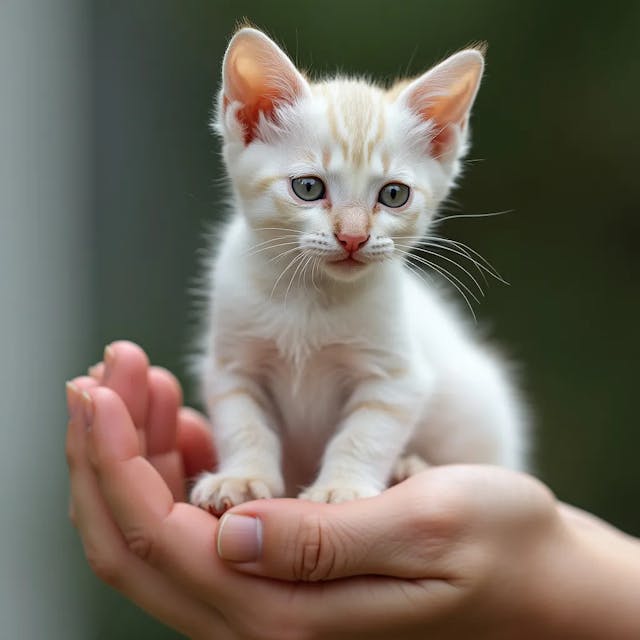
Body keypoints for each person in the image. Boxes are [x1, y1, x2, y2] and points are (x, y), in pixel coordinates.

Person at [65, 341, 640, 639]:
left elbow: (400, 382)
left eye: (391, 196)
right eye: (310, 187)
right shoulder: (243, 274)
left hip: (449, 455)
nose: (352, 232)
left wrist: (549, 580)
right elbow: (234, 372)